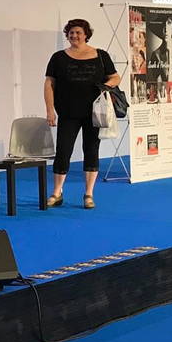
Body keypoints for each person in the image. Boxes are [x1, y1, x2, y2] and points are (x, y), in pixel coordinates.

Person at [44, 19, 120, 210]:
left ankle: (89, 194)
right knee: (63, 151)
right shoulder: (58, 58)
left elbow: (115, 77)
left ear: (86, 34)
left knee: (92, 150)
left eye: (78, 32)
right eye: (71, 32)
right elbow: (49, 84)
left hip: (95, 113)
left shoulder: (101, 55)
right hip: (67, 112)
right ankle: (57, 193)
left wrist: (105, 86)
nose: (74, 36)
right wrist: (50, 109)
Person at [147, 16, 172, 83]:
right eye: (163, 25)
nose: (166, 30)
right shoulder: (155, 55)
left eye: (169, 23)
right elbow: (159, 83)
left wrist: (170, 54)